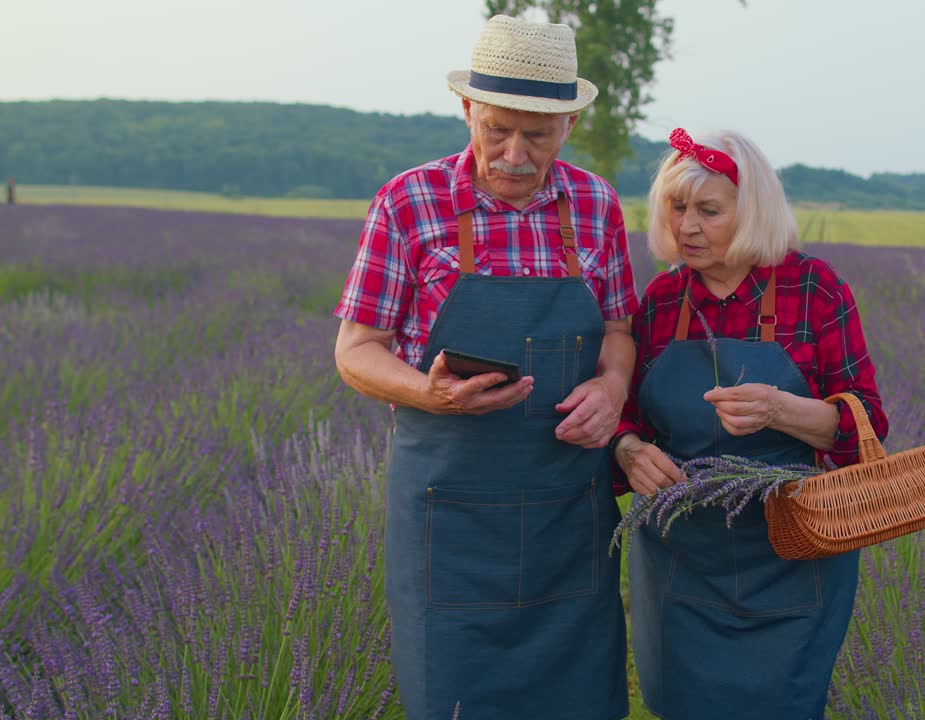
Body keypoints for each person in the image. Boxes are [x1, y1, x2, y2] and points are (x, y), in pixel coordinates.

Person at [333, 15, 638, 720]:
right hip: (451, 522)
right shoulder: (409, 203)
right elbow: (356, 350)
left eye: (537, 134)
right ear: (468, 109)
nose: (514, 153)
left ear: (568, 124)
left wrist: (613, 384)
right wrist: (428, 394)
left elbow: (619, 327)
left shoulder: (594, 207)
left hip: (568, 518)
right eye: (497, 128)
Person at [611, 128, 889, 720]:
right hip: (682, 559)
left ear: (752, 211)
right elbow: (625, 416)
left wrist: (781, 410)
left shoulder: (813, 288)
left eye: (708, 211)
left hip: (793, 553)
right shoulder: (662, 301)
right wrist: (630, 451)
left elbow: (867, 426)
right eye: (677, 208)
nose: (687, 227)